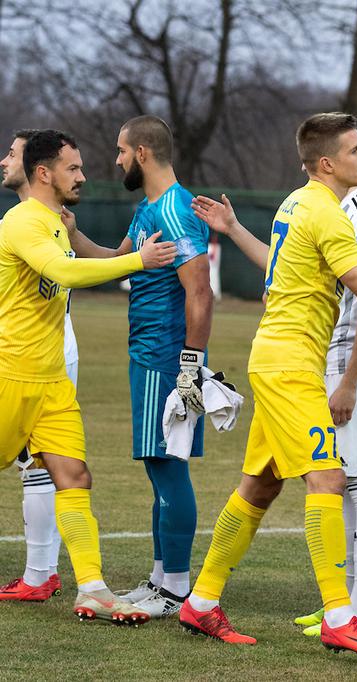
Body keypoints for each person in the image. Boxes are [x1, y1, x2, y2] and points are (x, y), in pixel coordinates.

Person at [178, 112, 357, 657]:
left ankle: (201, 602)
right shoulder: (327, 213)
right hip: (291, 365)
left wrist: (233, 230)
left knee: (260, 484)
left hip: (279, 357)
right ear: (328, 162)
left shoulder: (295, 202)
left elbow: (284, 272)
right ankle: (341, 616)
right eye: (356, 149)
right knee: (328, 480)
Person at [0, 129, 176, 623]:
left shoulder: (56, 221)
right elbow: (67, 272)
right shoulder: (21, 222)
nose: (82, 175)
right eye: (73, 168)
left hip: (51, 381)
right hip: (9, 377)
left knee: (74, 477)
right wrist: (137, 261)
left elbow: (77, 258)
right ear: (44, 173)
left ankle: (93, 588)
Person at [66, 116, 214, 619]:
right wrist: (72, 234)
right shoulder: (147, 209)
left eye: (121, 151)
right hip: (147, 354)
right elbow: (116, 262)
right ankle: (160, 578)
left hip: (167, 357)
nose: (117, 160)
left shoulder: (175, 209)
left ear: (143, 153)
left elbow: (200, 290)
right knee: (157, 466)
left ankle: (175, 588)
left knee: (167, 466)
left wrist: (190, 365)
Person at [0, 129, 74, 603]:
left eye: (12, 152)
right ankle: (41, 572)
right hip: (42, 350)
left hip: (35, 354)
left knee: (41, 467)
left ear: (36, 168)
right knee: (43, 469)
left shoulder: (32, 221)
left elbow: (72, 270)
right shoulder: (46, 220)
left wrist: (136, 257)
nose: (5, 160)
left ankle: (41, 571)